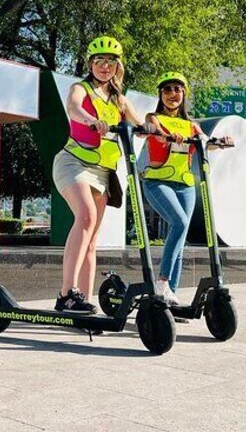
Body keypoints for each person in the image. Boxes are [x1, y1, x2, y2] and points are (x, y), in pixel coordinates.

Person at [52, 36, 153, 313]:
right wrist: (92, 121)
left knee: (92, 240)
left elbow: (140, 122)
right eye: (99, 61)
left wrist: (157, 129)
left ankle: (83, 299)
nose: (104, 66)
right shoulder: (80, 88)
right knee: (85, 217)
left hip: (103, 172)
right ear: (91, 64)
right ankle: (65, 295)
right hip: (73, 162)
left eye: (110, 62)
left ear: (117, 66)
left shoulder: (119, 100)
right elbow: (73, 108)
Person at [141, 72, 232, 304]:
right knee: (179, 223)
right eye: (168, 89)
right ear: (160, 94)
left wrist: (220, 143)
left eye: (178, 89)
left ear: (184, 94)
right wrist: (169, 135)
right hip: (158, 181)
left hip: (186, 186)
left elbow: (205, 141)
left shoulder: (192, 125)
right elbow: (159, 136)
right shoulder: (153, 117)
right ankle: (161, 282)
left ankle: (171, 295)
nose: (173, 94)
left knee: (180, 242)